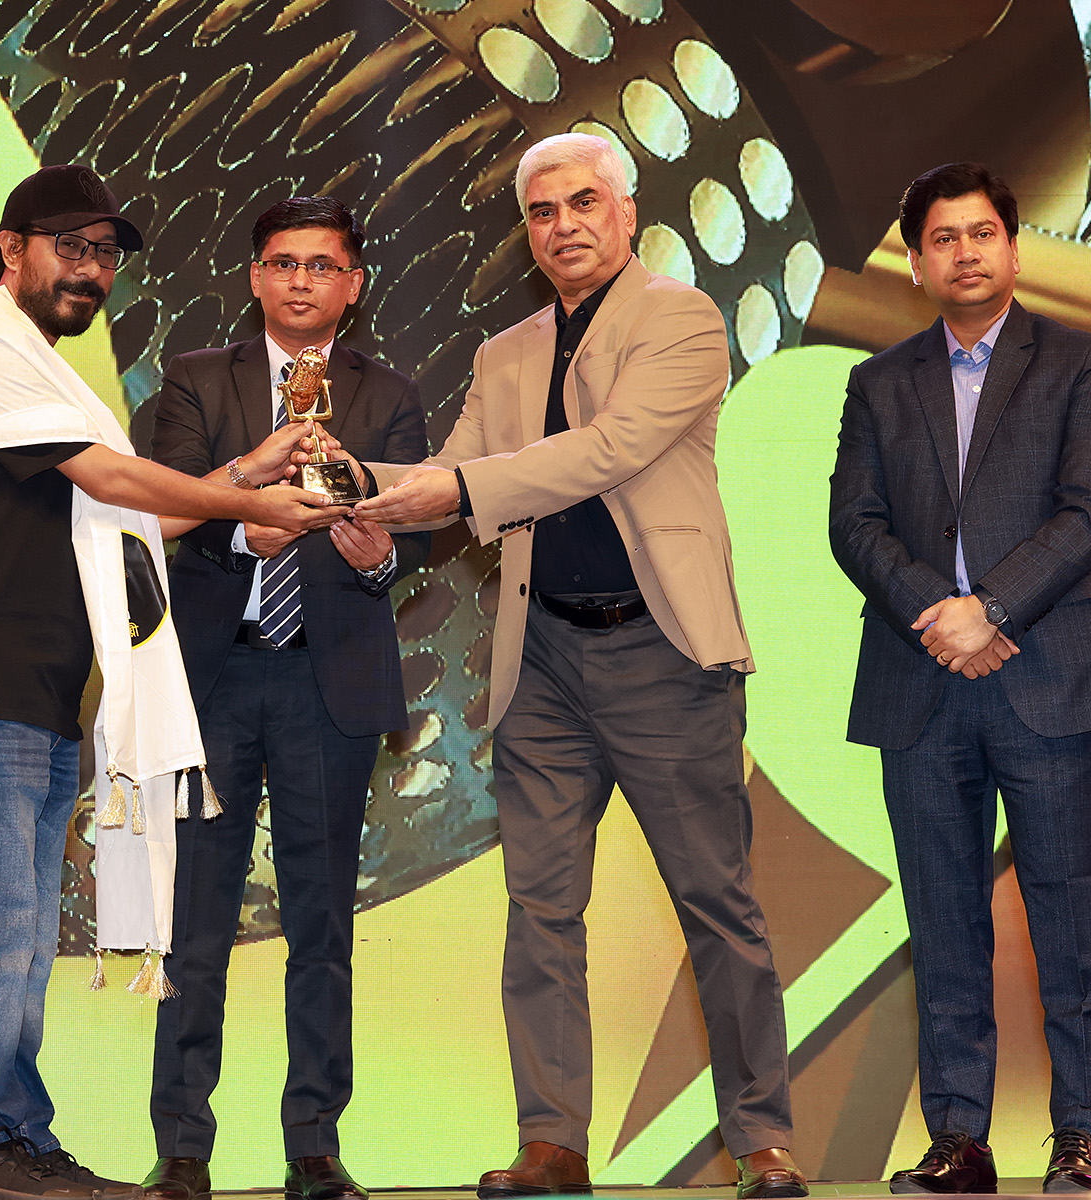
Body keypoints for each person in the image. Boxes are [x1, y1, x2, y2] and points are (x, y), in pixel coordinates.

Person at [354, 131, 804, 1200]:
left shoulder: (682, 320)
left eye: (582, 202)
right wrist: (341, 486)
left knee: (716, 904)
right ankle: (551, 1142)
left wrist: (452, 492)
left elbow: (603, 451)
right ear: (526, 231)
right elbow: (451, 472)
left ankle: (761, 1140)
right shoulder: (503, 353)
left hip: (663, 653)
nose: (562, 225)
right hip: (542, 659)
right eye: (542, 211)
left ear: (626, 210)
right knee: (540, 912)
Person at [0, 163, 343, 1198]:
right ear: (11, 251)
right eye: (71, 247)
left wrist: (250, 470)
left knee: (20, 934)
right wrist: (249, 506)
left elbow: (139, 519)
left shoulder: (43, 370)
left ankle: (14, 1138)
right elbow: (117, 478)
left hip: (37, 694)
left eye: (104, 254)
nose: (91, 270)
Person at [828, 162, 1091, 1195]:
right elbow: (853, 524)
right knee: (943, 921)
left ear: (1012, 249)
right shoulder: (878, 382)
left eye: (981, 234)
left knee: (1069, 913)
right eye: (942, 238)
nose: (963, 253)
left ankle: (1080, 1133)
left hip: (1049, 673)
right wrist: (941, 614)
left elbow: (1088, 511)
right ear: (915, 263)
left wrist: (992, 610)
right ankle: (957, 1137)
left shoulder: (1079, 360)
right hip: (921, 678)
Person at [139, 196, 427, 1200]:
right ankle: (182, 1147)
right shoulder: (195, 380)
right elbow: (154, 504)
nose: (301, 281)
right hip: (215, 677)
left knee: (320, 923)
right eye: (283, 263)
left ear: (354, 285)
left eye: (322, 265)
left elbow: (415, 534)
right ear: (255, 277)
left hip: (325, 680)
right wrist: (237, 527)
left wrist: (377, 552)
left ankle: (314, 1144)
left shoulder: (389, 396)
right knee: (194, 922)